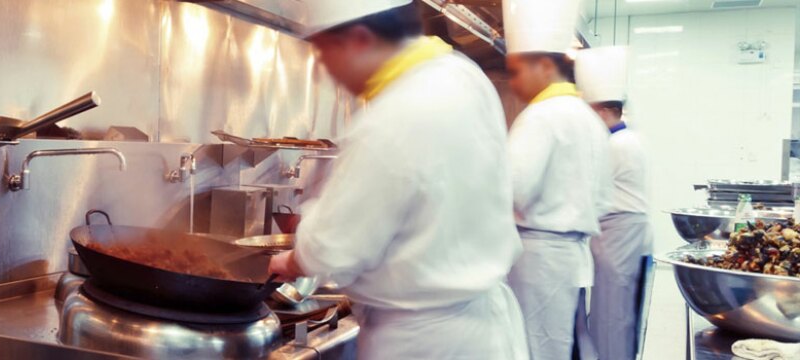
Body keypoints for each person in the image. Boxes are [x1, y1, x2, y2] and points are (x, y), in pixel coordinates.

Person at [268, 1, 528, 358]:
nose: (324, 71)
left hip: (423, 342)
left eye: (325, 54)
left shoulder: (393, 117)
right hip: (483, 328)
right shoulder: (463, 76)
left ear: (359, 39)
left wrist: (292, 260)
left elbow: (332, 248)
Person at [501, 1, 613, 359]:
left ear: (546, 65)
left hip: (538, 258)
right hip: (570, 257)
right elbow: (602, 198)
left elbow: (512, 191)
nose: (514, 83)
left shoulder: (541, 116)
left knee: (534, 349)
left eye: (517, 72)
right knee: (558, 345)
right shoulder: (588, 118)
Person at [576, 46, 651, 360]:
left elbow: (587, 191)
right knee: (614, 313)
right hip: (623, 234)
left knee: (612, 315)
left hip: (619, 234)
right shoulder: (628, 139)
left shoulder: (616, 145)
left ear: (602, 111)